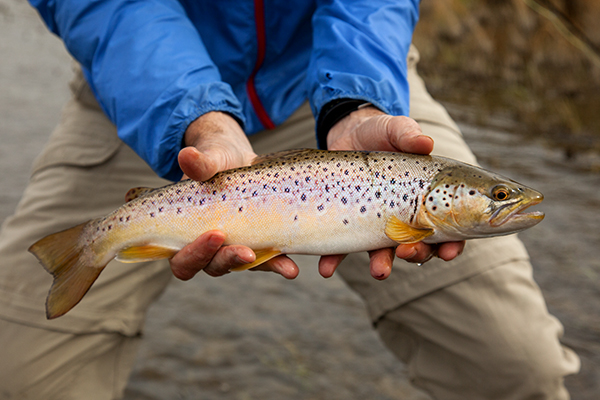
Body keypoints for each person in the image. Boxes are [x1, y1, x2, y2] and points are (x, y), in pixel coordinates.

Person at [0, 1, 579, 399]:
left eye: (498, 196)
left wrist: (358, 102)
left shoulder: (393, 147)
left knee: (517, 364)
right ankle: (92, 243)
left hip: (349, 92)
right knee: (21, 378)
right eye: (499, 196)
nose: (508, 202)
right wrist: (195, 116)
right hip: (141, 91)